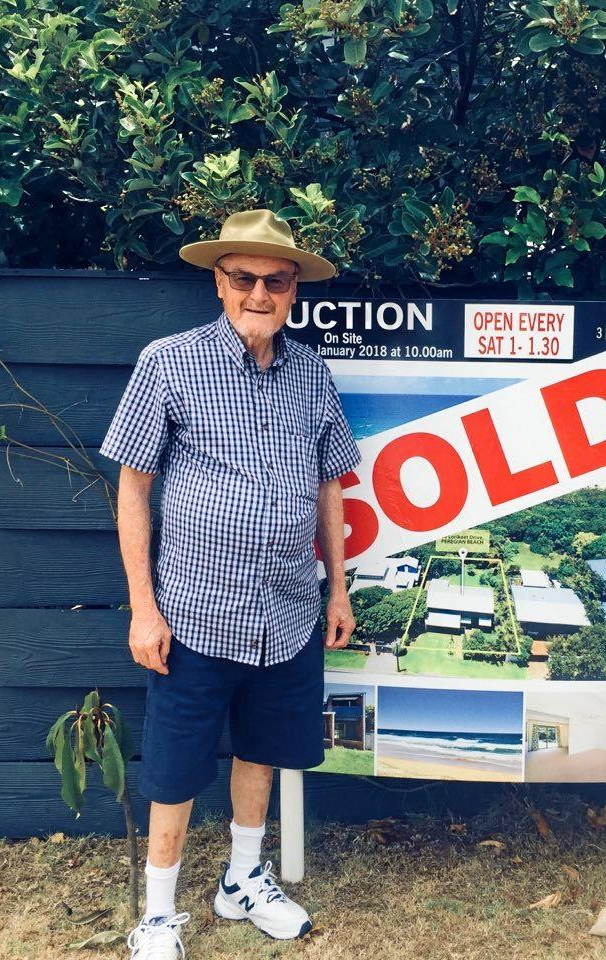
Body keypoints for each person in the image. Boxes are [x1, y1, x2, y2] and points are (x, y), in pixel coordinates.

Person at [99, 210, 361, 959]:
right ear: (218, 283)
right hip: (193, 614)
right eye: (242, 277)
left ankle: (242, 880)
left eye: (274, 281)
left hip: (287, 610)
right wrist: (143, 609)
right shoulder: (168, 362)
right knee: (177, 766)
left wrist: (336, 589)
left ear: (292, 292)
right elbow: (132, 487)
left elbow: (329, 484)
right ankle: (156, 916)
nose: (258, 292)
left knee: (262, 750)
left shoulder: (312, 371)